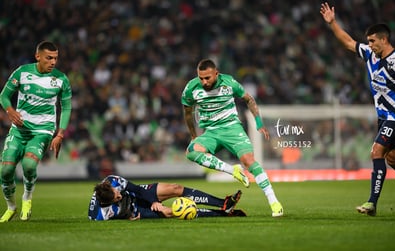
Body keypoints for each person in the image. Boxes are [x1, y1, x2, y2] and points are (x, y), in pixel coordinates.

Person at [320, 2, 395, 216]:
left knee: (376, 152)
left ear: (384, 39)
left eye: (373, 41)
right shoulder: (370, 55)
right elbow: (348, 42)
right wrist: (333, 23)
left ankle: (372, 203)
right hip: (384, 118)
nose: (369, 44)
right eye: (368, 41)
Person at [181, 59, 283, 217]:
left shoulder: (229, 83)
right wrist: (194, 136)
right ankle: (232, 170)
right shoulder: (191, 88)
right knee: (191, 152)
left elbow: (249, 99)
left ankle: (274, 201)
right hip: (211, 132)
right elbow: (187, 113)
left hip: (232, 129)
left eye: (207, 78)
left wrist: (259, 122)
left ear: (216, 73)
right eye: (201, 78)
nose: (204, 82)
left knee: (249, 161)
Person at [0, 41, 72, 222]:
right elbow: (4, 96)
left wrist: (60, 133)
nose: (53, 62)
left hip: (43, 130)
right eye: (49, 58)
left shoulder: (61, 79)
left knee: (29, 165)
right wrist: (10, 111)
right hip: (19, 129)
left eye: (55, 58)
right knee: (6, 171)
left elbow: (66, 107)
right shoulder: (22, 72)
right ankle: (11, 207)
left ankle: (27, 198)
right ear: (38, 56)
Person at [88, 175, 245, 220]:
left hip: (137, 195)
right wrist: (130, 216)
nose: (119, 195)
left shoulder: (113, 181)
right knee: (173, 212)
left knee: (175, 188)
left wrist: (154, 202)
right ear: (108, 202)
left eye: (118, 192)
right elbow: (125, 216)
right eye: (117, 198)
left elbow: (136, 189)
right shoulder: (99, 215)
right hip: (136, 210)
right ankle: (223, 214)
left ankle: (224, 204)